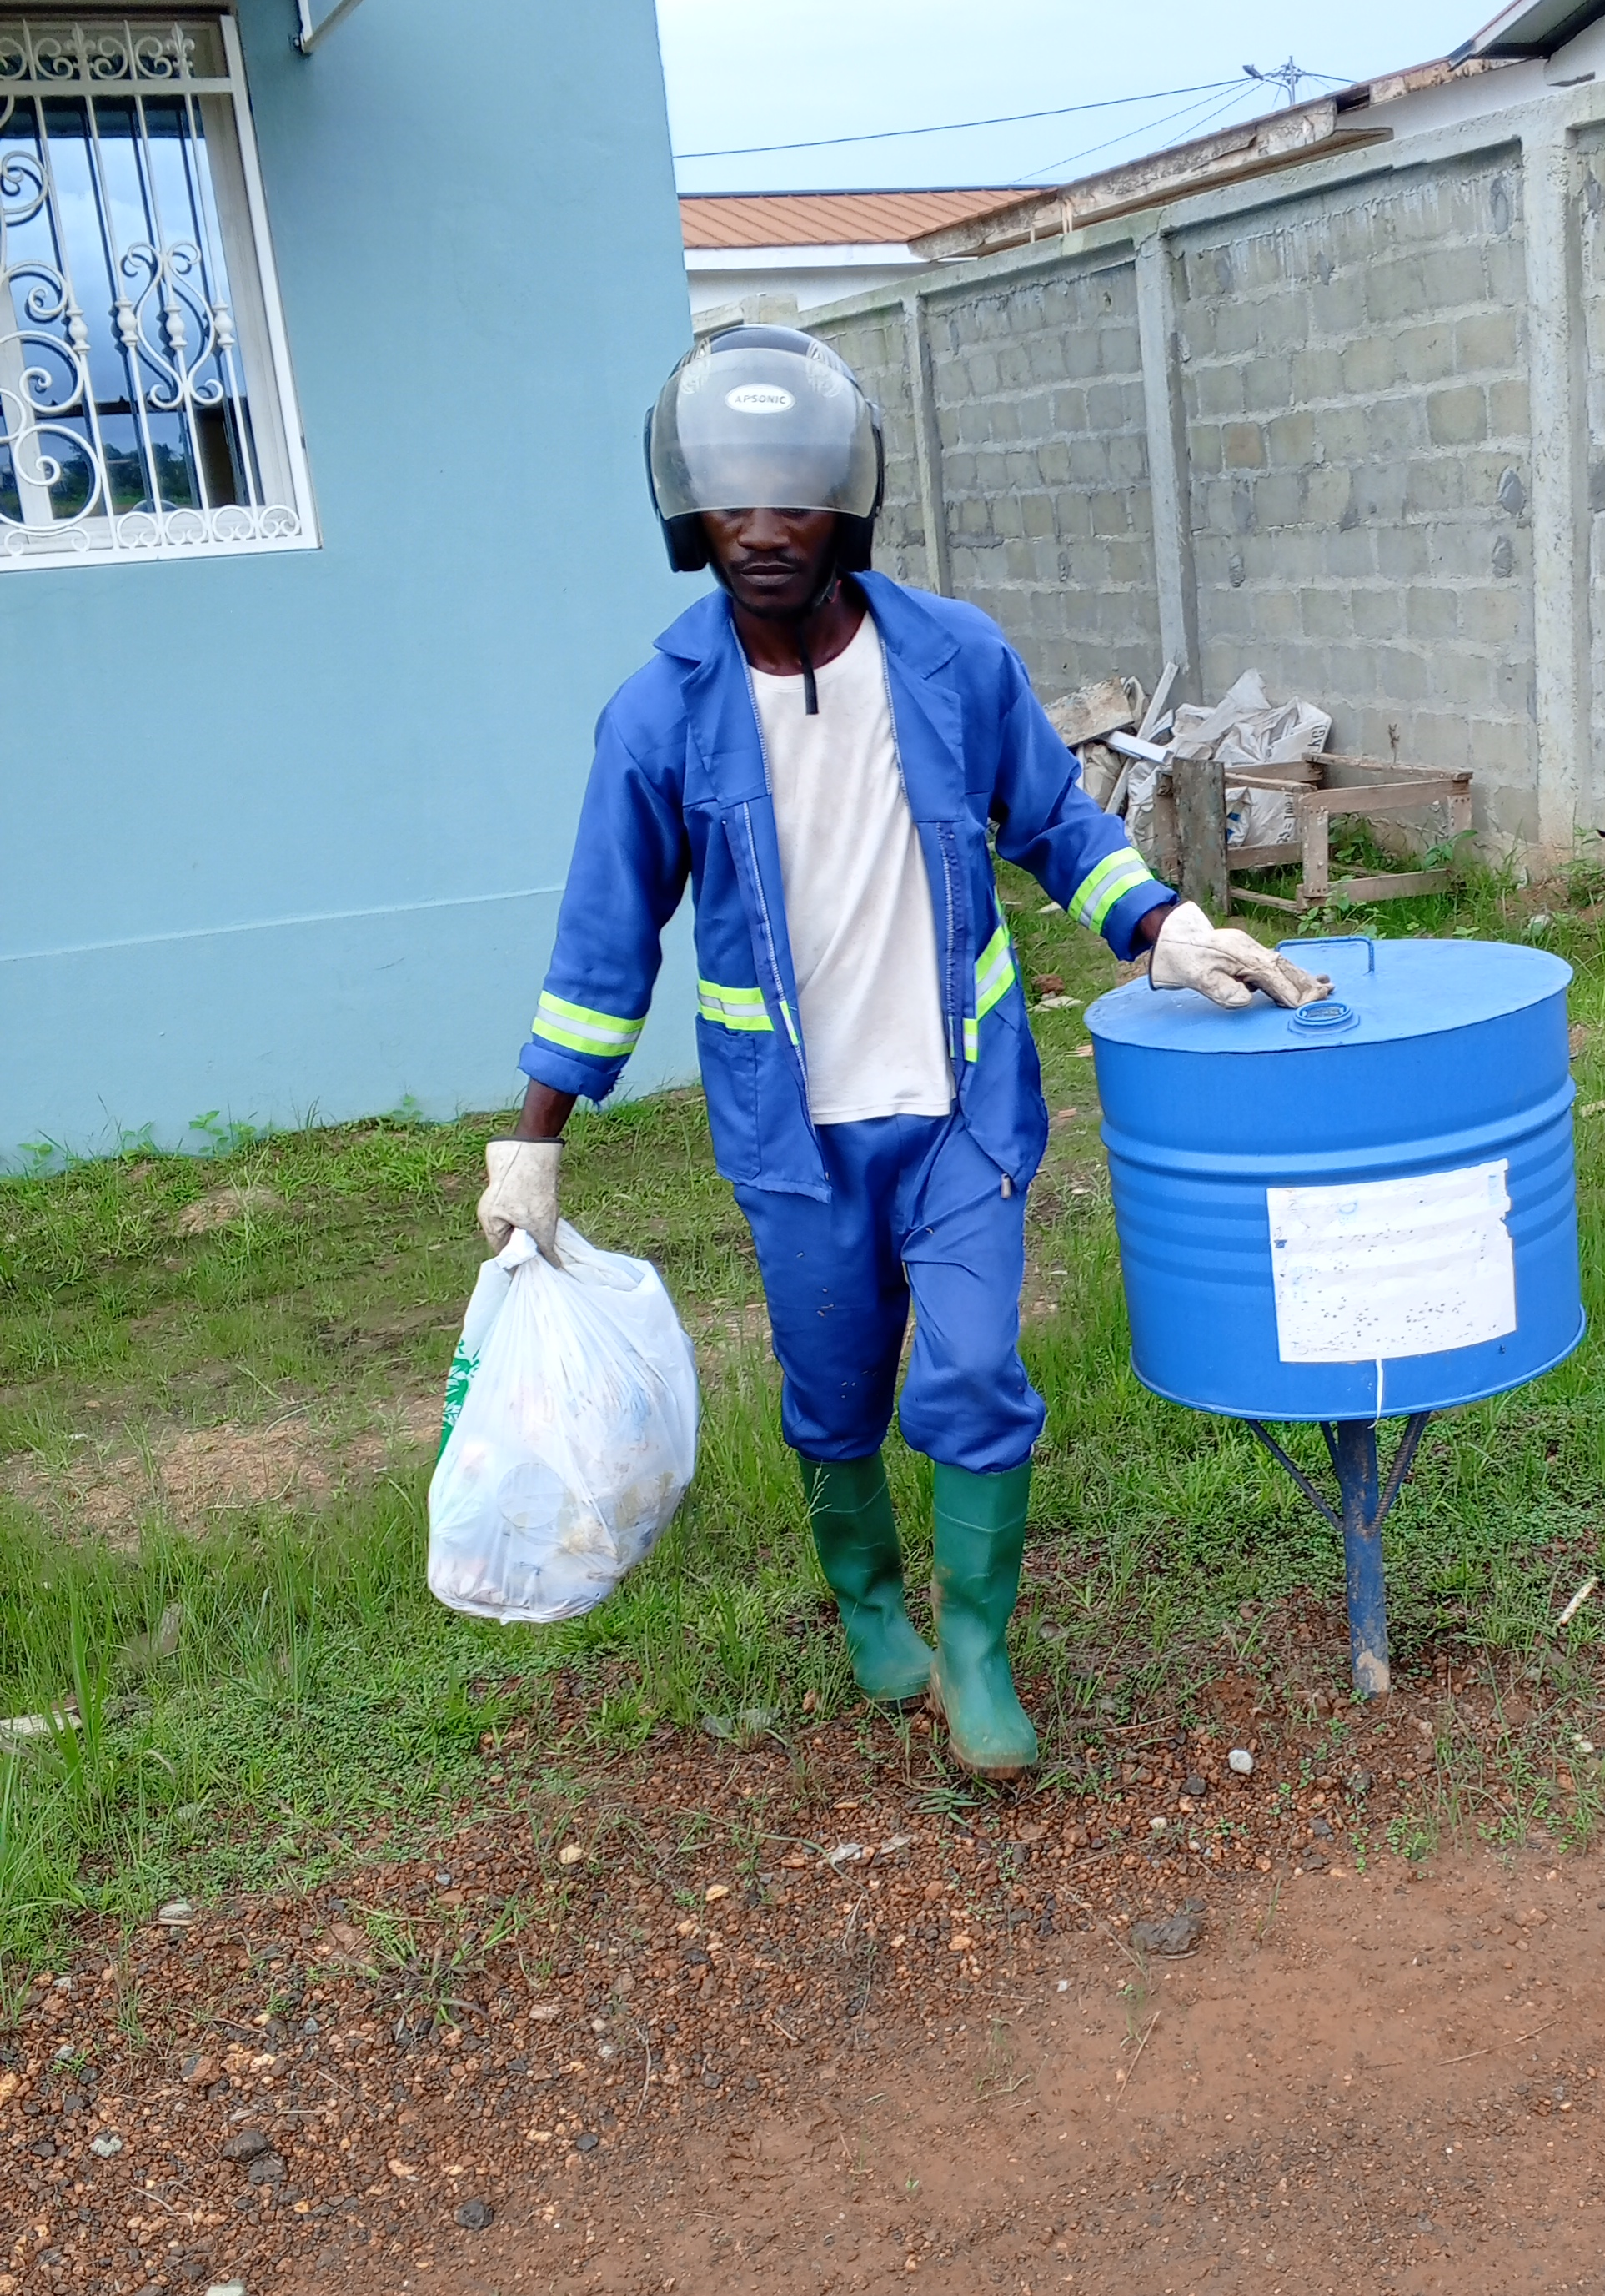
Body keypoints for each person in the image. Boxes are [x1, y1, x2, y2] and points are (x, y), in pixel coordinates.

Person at [477, 328, 1326, 1776]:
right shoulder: (659, 715)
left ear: (846, 507)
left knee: (979, 1368)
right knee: (834, 1389)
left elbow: (1057, 824)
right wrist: (535, 1140)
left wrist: (1164, 928)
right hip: (793, 1138)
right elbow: (604, 946)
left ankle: (978, 1653)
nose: (761, 531)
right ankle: (872, 1605)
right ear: (688, 512)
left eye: (792, 498)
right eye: (731, 502)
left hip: (962, 1116)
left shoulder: (952, 659)